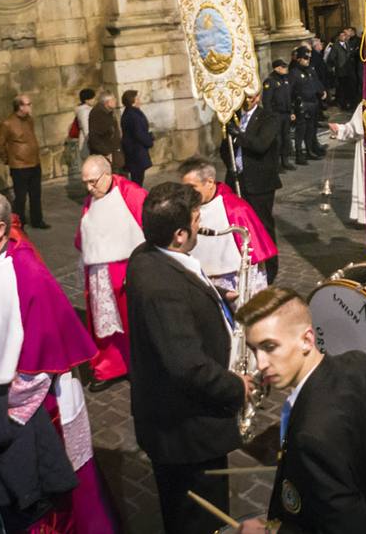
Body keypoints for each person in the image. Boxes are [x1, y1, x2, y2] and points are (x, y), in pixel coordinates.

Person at [0, 191, 117, 534]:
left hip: (29, 407)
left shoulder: (26, 274)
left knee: (34, 496)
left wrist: (1, 411)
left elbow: (40, 358)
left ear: (0, 229)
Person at [234, 286, 366, 534]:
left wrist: (272, 532)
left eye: (269, 346)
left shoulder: (311, 436)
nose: (260, 364)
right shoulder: (357, 363)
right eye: (254, 349)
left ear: (307, 340)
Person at [125, 183, 250, 534]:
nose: (201, 225)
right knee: (200, 518)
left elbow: (183, 293)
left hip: (175, 423)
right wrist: (237, 386)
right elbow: (188, 366)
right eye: (196, 220)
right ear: (180, 234)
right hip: (187, 433)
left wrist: (216, 297)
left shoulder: (146, 254)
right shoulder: (162, 289)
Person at [75, 155, 146, 392]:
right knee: (103, 323)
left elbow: (150, 229)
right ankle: (109, 367)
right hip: (99, 272)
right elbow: (83, 235)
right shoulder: (90, 199)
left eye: (93, 182)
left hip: (127, 269)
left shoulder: (131, 194)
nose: (89, 188)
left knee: (133, 323)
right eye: (85, 182)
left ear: (107, 174)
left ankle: (139, 367)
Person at [178, 157, 277, 298]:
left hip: (233, 281)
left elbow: (254, 262)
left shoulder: (235, 209)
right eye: (184, 188)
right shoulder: (184, 206)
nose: (186, 193)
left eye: (192, 188)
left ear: (210, 182)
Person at [225, 91, 282, 271]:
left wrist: (239, 135)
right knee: (239, 223)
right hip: (238, 179)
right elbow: (224, 148)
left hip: (260, 181)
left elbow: (260, 145)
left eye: (251, 97)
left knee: (262, 223)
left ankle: (271, 267)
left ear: (258, 97)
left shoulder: (269, 118)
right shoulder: (234, 118)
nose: (248, 101)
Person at [0, 95, 49, 229]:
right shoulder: (7, 123)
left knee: (36, 195)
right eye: (28, 104)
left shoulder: (29, 120)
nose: (30, 106)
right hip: (19, 166)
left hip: (34, 163)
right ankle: (18, 223)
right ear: (20, 106)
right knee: (20, 197)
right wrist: (7, 159)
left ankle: (37, 220)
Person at [289, 47, 326, 163]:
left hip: (313, 103)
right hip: (302, 105)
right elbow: (290, 92)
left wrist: (322, 91)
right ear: (299, 59)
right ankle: (299, 154)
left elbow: (317, 83)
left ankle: (310, 150)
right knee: (301, 130)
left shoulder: (310, 70)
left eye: (309, 58)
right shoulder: (294, 73)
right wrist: (292, 110)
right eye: (305, 58)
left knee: (311, 129)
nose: (307, 60)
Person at [264, 59, 297, 171]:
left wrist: (291, 111)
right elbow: (267, 101)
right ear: (277, 68)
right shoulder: (270, 81)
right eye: (283, 67)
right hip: (276, 114)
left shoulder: (285, 80)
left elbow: (288, 97)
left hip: (285, 114)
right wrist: (270, 116)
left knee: (286, 138)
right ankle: (276, 163)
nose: (285, 69)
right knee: (277, 140)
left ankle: (285, 160)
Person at [120, 89, 154, 187]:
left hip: (135, 149)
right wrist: (149, 141)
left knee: (138, 176)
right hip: (135, 150)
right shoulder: (133, 115)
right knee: (137, 177)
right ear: (133, 101)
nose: (139, 100)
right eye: (137, 98)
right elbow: (139, 134)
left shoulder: (131, 112)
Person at [87, 92, 125, 176]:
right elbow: (94, 137)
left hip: (113, 152)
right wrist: (106, 152)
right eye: (113, 99)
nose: (116, 101)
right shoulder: (98, 114)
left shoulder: (108, 111)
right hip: (107, 154)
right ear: (107, 102)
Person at [73, 88, 96, 161]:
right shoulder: (84, 112)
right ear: (86, 100)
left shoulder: (87, 109)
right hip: (86, 143)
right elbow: (86, 129)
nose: (94, 100)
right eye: (92, 98)